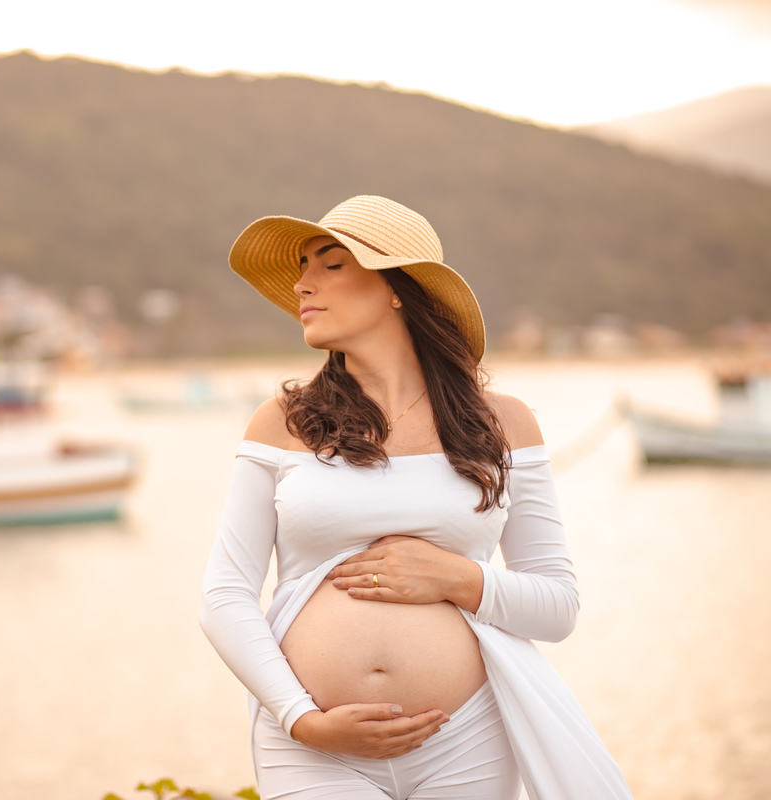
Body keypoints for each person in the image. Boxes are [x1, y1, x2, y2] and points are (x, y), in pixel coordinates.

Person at [198, 196, 632, 800]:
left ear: (397, 288)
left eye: (331, 264)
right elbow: (224, 594)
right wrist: (301, 718)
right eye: (302, 267)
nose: (302, 284)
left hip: (468, 737)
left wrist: (457, 578)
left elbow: (557, 607)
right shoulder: (283, 423)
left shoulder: (503, 425)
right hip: (315, 748)